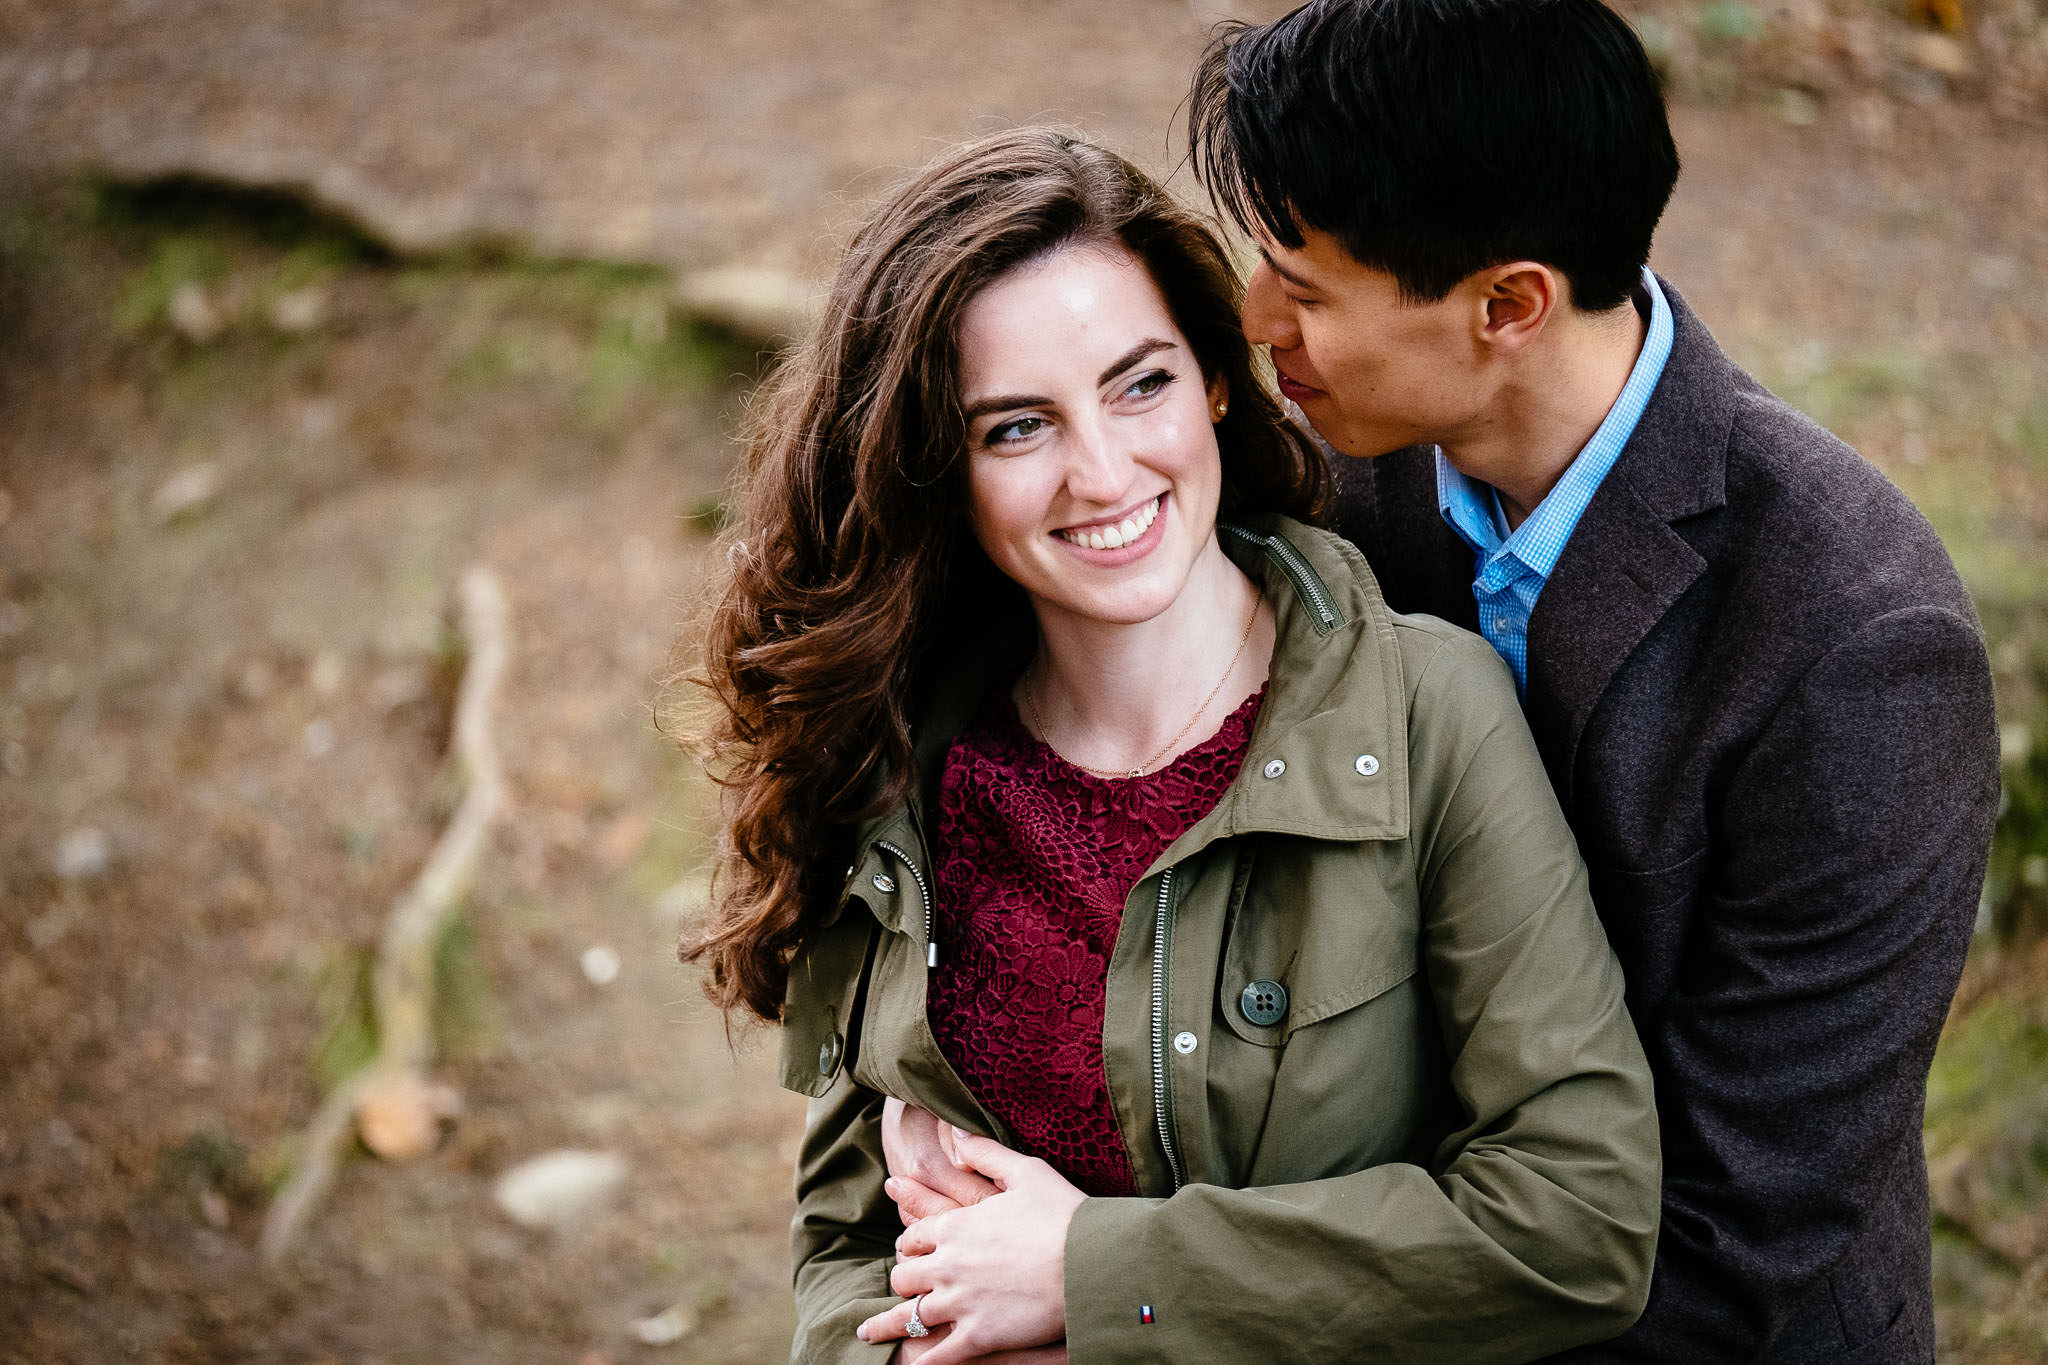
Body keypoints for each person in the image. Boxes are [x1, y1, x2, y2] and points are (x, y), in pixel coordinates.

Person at [679, 128, 1660, 1365]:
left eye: (1138, 384)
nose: (1101, 472)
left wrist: (1097, 1277)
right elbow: (847, 1245)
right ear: (943, 469)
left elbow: (1578, 1221)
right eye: (1015, 428)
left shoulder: (1427, 713)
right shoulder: (891, 756)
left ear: (1210, 377)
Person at [1162, 1, 2002, 1361]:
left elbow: (1739, 1228)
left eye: (1303, 288)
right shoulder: (1330, 473)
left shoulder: (1858, 647)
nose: (1257, 322)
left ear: (1509, 305)